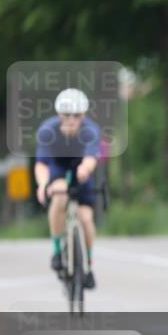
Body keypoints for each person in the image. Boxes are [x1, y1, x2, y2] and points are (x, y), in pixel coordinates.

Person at [34, 88, 101, 289]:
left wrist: (85, 169)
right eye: (67, 115)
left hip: (82, 171)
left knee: (86, 219)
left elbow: (91, 158)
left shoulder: (91, 130)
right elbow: (41, 164)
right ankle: (57, 250)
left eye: (77, 115)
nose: (72, 119)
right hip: (58, 170)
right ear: (59, 115)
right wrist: (43, 184)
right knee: (60, 196)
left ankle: (88, 263)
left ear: (84, 115)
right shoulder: (48, 131)